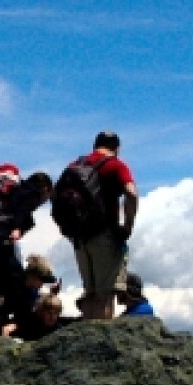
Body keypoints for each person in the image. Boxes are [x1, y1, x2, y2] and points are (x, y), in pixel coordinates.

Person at [0, 172, 54, 340]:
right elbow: (22, 208)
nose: (43, 202)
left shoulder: (5, 197)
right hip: (1, 240)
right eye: (46, 197)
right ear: (45, 189)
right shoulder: (31, 192)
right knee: (10, 284)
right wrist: (17, 228)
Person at [66, 132, 138, 320]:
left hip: (79, 237)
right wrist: (128, 225)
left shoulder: (75, 165)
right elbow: (131, 194)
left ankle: (88, 345)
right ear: (117, 148)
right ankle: (101, 346)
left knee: (90, 293)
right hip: (104, 234)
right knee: (105, 295)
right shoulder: (115, 165)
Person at [5, 293, 76, 342]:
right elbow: (8, 330)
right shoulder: (28, 324)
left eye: (56, 313)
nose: (52, 317)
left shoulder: (59, 327)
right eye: (49, 313)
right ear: (40, 312)